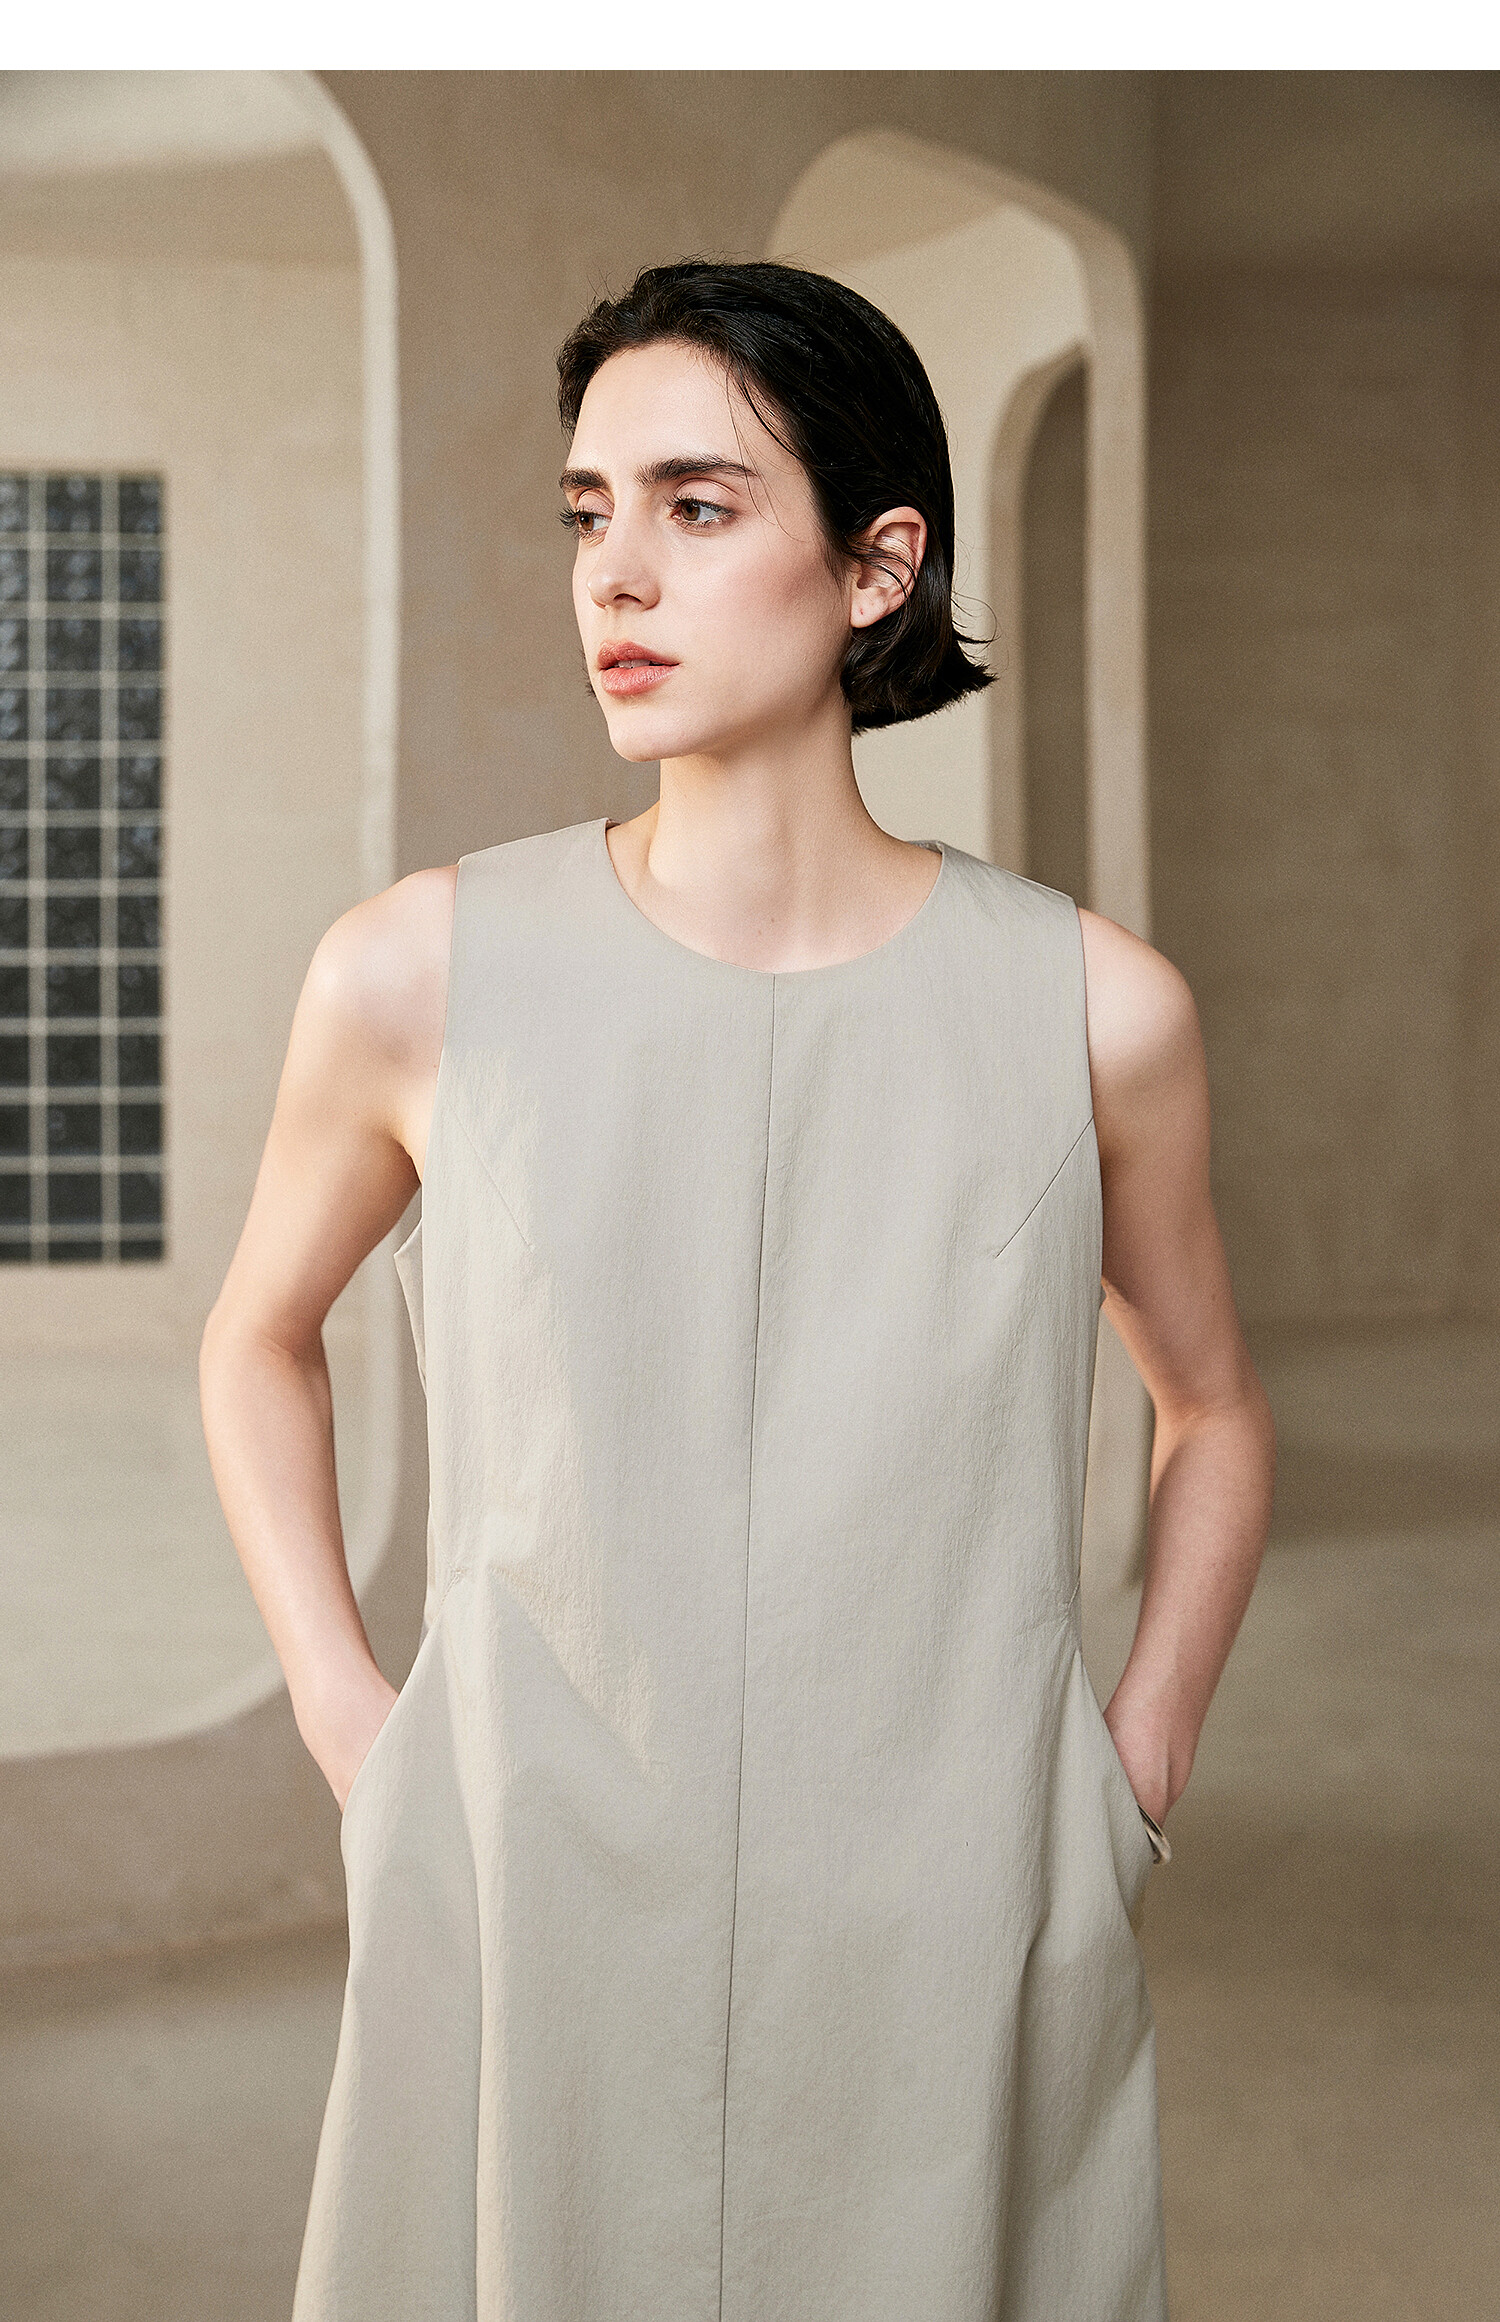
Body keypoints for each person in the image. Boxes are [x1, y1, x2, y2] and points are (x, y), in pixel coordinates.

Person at [200, 258, 1274, 2322]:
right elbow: (257, 1337)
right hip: (528, 1876)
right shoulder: (418, 972)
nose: (618, 573)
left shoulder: (1092, 1008)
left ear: (880, 567)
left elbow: (1213, 1405)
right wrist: (361, 1727)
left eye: (698, 507)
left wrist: (1128, 1771)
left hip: (955, 1890)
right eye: (590, 511)